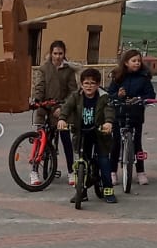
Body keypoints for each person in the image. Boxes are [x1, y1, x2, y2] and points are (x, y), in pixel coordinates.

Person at [56, 67, 115, 202]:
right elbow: (67, 107)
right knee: (81, 162)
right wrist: (62, 119)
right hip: (82, 133)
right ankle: (81, 191)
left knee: (103, 161)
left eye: (93, 83)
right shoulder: (76, 96)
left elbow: (109, 110)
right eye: (86, 83)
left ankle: (108, 189)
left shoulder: (104, 97)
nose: (89, 86)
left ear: (98, 84)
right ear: (81, 84)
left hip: (99, 134)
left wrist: (108, 122)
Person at [30, 39, 78, 183]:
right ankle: (34, 172)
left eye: (60, 53)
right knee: (40, 141)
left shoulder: (68, 70)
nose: (57, 56)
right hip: (45, 108)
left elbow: (73, 92)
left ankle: (71, 171)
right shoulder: (44, 69)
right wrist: (37, 101)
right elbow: (39, 86)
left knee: (65, 139)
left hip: (61, 109)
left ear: (64, 54)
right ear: (50, 54)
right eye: (55, 53)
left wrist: (63, 108)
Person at [107, 48, 157, 185]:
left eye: (139, 61)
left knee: (137, 143)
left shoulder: (144, 77)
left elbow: (151, 95)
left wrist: (141, 99)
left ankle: (140, 172)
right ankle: (112, 172)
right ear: (126, 63)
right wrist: (118, 95)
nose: (137, 63)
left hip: (136, 113)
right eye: (133, 61)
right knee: (116, 143)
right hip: (119, 113)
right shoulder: (118, 76)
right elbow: (109, 94)